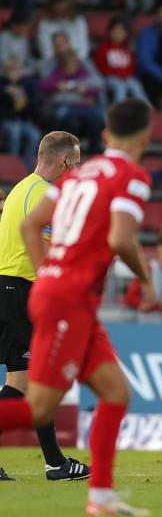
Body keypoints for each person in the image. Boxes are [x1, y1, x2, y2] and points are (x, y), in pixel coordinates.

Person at [0, 99, 155, 516]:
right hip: (58, 295)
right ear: (146, 136)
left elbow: (31, 227)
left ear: (106, 135)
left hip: (48, 292)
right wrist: (147, 279)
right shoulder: (132, 178)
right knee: (37, 403)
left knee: (115, 393)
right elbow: (123, 239)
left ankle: (99, 494)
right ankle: (61, 468)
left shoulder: (69, 180)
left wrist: (45, 273)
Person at [0, 131, 89, 483]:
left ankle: (55, 463)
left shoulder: (21, 188)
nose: (76, 168)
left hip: (10, 289)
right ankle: (55, 464)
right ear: (65, 161)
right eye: (76, 162)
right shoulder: (45, 195)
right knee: (24, 382)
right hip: (24, 292)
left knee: (32, 381)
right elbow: (48, 254)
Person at [38, 34, 106, 155]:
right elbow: (43, 85)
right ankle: (69, 157)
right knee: (70, 121)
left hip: (84, 106)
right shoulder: (51, 66)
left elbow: (98, 85)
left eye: (62, 44)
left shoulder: (84, 64)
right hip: (63, 106)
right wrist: (58, 86)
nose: (60, 48)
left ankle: (95, 154)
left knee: (96, 119)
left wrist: (85, 90)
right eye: (57, 45)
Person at [123, 227, 162, 322]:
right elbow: (130, 299)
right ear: (159, 248)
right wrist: (155, 306)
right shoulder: (148, 269)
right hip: (149, 326)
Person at [94, 17, 149, 104]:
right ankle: (118, 111)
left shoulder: (127, 49)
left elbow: (132, 66)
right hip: (108, 78)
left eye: (121, 31)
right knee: (120, 87)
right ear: (109, 31)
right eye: (115, 30)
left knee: (135, 84)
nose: (117, 33)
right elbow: (100, 66)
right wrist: (115, 75)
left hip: (125, 77)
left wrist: (125, 75)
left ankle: (145, 106)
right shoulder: (103, 48)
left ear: (126, 34)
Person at [0, 57, 42, 169]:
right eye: (11, 71)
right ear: (6, 72)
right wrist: (7, 94)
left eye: (17, 71)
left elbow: (33, 106)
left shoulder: (27, 84)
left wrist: (24, 97)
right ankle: (12, 167)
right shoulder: (2, 84)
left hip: (24, 120)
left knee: (35, 135)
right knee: (15, 134)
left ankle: (27, 167)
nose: (14, 74)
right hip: (7, 120)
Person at [36, 0, 90, 66]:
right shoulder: (44, 24)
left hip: (77, 62)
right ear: (51, 9)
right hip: (54, 64)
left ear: (69, 9)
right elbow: (46, 51)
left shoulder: (79, 21)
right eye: (57, 11)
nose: (60, 14)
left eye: (63, 11)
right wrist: (62, 64)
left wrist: (73, 62)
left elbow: (83, 48)